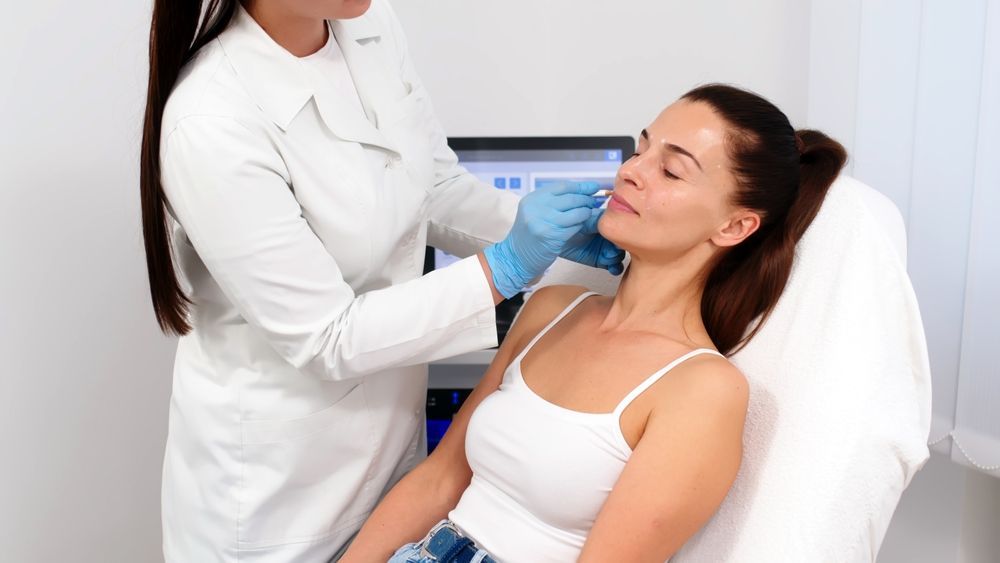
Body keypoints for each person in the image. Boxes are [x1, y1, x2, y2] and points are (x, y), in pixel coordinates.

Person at [138, 0, 623, 560]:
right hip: (279, 494)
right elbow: (325, 337)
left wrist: (555, 243)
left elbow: (431, 189)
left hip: (395, 456)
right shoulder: (212, 119)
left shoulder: (367, 23)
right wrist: (508, 265)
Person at [341, 83, 848, 562]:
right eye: (641, 149)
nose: (632, 171)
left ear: (735, 226)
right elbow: (440, 478)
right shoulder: (552, 308)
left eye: (670, 172)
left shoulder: (701, 388)